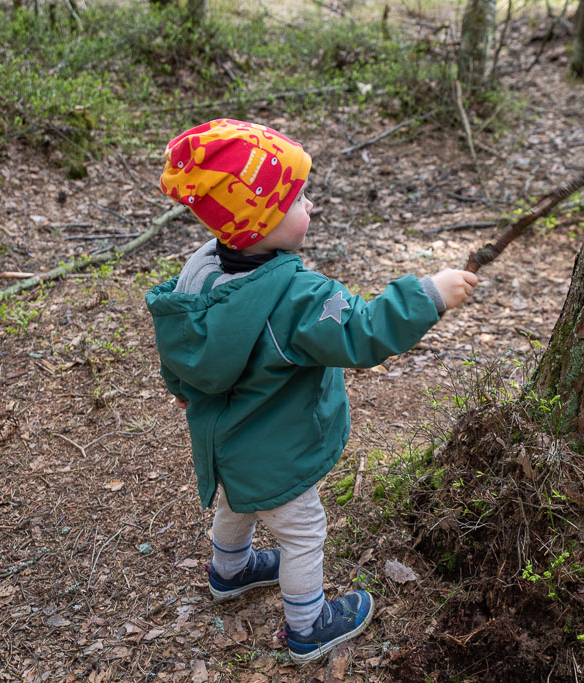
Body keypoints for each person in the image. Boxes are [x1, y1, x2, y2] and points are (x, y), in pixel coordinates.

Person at [145, 119, 478, 663]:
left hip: (221, 442)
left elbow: (178, 341)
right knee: (302, 531)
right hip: (279, 450)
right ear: (260, 223)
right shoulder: (297, 297)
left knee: (235, 500)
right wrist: (429, 295)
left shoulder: (200, 271)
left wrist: (182, 389)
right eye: (298, 199)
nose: (311, 206)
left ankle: (228, 571)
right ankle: (308, 625)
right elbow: (362, 332)